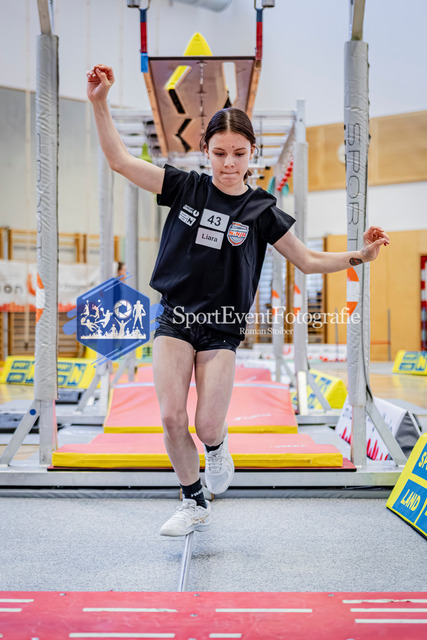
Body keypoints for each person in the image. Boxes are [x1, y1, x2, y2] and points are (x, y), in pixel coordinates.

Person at [87, 64, 390, 537]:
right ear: (205, 150)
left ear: (253, 153)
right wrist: (99, 102)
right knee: (171, 417)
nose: (229, 164)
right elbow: (121, 162)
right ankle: (193, 500)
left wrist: (361, 255)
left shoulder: (261, 209)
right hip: (174, 318)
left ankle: (217, 446)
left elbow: (308, 260)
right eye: (219, 153)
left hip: (222, 326)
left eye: (239, 154)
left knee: (207, 426)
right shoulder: (185, 187)